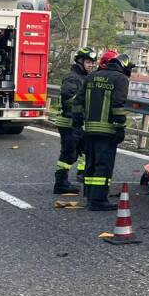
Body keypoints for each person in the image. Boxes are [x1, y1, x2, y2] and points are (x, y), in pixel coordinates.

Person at [77, 53, 132, 211]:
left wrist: (77, 124)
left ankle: (89, 196)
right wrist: (120, 127)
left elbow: (78, 101)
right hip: (107, 130)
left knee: (91, 164)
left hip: (88, 129)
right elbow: (118, 105)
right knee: (103, 166)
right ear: (124, 66)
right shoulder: (120, 79)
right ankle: (99, 200)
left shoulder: (91, 77)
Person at [50, 47, 96, 195]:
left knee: (81, 151)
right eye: (88, 62)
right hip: (68, 122)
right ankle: (60, 183)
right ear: (80, 61)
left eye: (93, 63)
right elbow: (69, 98)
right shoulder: (73, 77)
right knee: (68, 154)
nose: (91, 65)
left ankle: (79, 179)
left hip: (76, 122)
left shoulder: (83, 77)